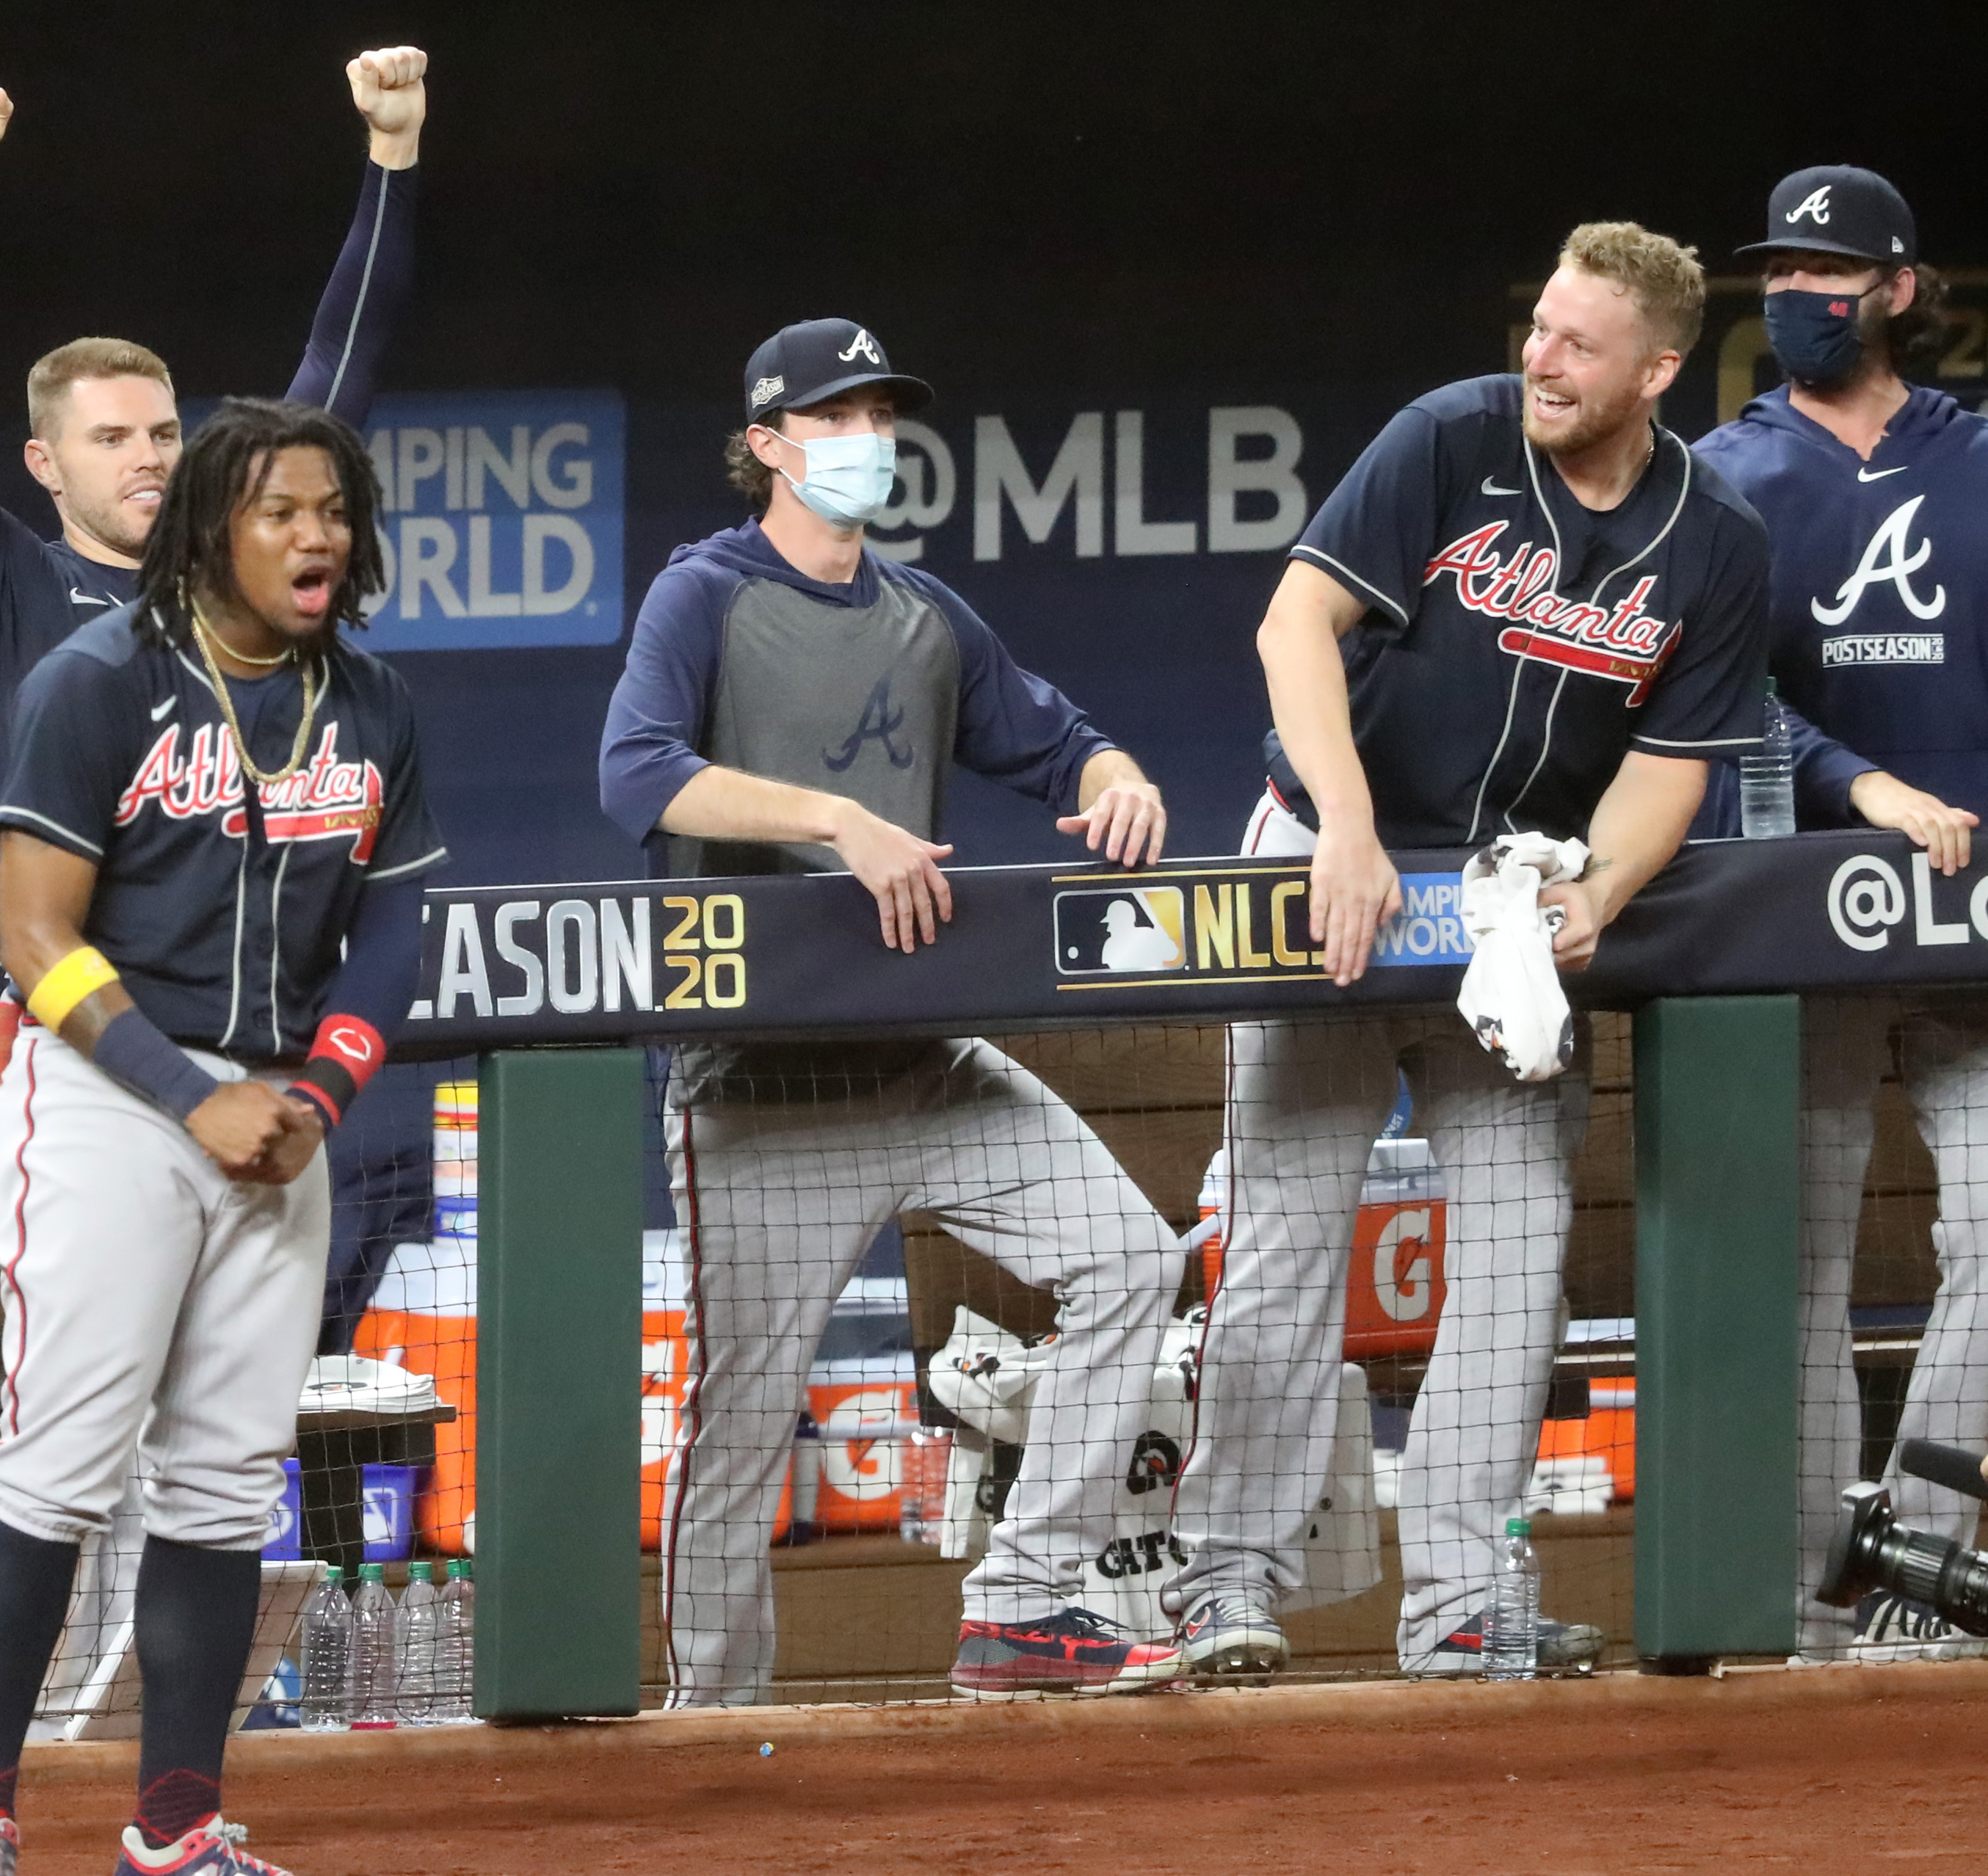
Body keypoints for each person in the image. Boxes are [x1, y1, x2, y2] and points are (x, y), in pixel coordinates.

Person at [1173, 222, 1768, 1679]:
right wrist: (1347, 828)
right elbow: (1296, 625)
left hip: (1505, 909)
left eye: (1578, 344)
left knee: (1515, 1258)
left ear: (1660, 371)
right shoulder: (1450, 441)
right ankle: (1224, 1586)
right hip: (1342, 869)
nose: (1541, 360)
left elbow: (1672, 764)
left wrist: (1605, 891)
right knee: (1288, 1242)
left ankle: (1459, 1602)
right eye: (1540, 328)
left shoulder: (1715, 539)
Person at [597, 318, 1190, 1704]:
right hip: (758, 1084)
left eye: (878, 415)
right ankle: (710, 1714)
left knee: (1127, 1259)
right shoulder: (704, 594)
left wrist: (1115, 772)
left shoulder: (924, 613)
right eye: (834, 417)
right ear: (765, 445)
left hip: (924, 1063)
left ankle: (1024, 1604)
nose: (866, 439)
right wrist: (836, 822)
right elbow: (636, 776)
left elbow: (1053, 735)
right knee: (739, 1427)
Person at [0, 399, 444, 1876]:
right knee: (62, 1469)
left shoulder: (374, 705)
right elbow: (35, 938)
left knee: (223, 1486)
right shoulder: (99, 682)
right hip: (103, 1095)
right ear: (215, 524)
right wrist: (181, 1095)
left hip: (283, 1112)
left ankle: (175, 1839)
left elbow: (398, 930)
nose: (317, 536)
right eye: (283, 510)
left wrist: (321, 1090)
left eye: (334, 511)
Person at [1688, 164, 1988, 1662]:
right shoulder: (1723, 477)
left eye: (1829, 269)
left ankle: (1918, 1577)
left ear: (1900, 292)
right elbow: (1712, 696)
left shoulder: (1981, 458)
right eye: (1781, 269)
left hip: (1979, 930)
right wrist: (1856, 783)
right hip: (1795, 913)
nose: (1800, 292)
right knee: (1794, 1263)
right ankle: (1816, 1607)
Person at [0, 49, 426, 838]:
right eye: (110, 438)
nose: (150, 455)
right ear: (45, 465)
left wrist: (394, 150)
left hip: (245, 956)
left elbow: (343, 357)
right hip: (73, 959)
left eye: (165, 433)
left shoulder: (239, 563)